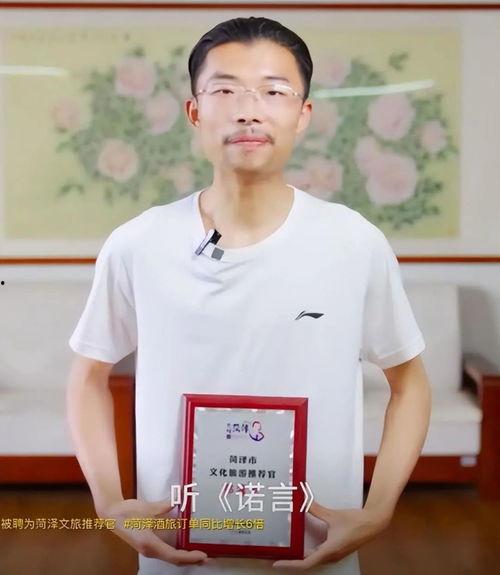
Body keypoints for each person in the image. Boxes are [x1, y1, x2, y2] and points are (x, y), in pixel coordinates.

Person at [66, 16, 431, 575]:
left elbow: (410, 381)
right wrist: (109, 503)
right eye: (226, 90)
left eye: (274, 91)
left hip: (318, 551)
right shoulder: (139, 243)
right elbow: (88, 374)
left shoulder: (353, 242)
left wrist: (378, 510)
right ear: (194, 112)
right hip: (177, 553)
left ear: (303, 114)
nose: (248, 110)